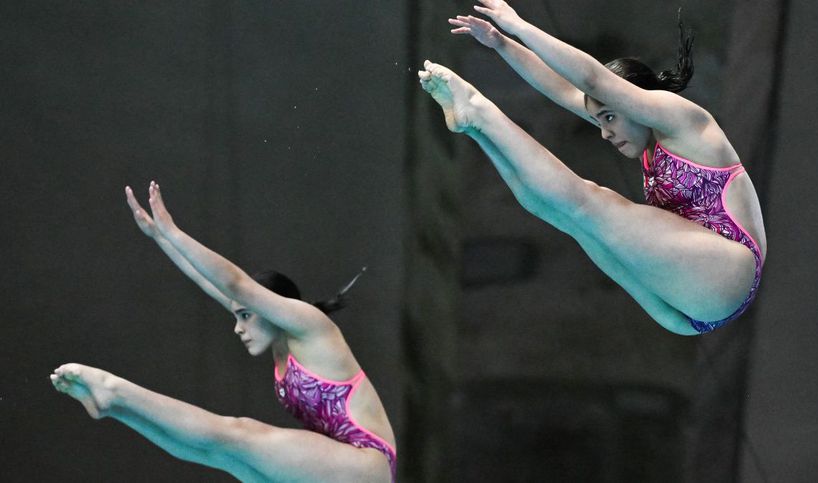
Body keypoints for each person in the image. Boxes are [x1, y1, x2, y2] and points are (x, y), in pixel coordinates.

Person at [419, 0, 766, 335]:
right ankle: (475, 127)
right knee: (558, 213)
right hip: (686, 311)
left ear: (632, 98)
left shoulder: (683, 121)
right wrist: (501, 43)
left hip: (729, 271)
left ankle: (480, 108)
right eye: (600, 120)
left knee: (588, 201)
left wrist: (517, 24)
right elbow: (564, 90)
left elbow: (593, 81)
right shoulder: (643, 134)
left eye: (610, 117)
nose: (604, 132)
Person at [50, 181, 396, 482]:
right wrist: (160, 238)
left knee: (239, 433)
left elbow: (236, 283)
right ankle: (113, 407)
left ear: (270, 307)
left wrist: (173, 231)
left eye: (245, 316)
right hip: (336, 465)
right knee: (219, 455)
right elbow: (211, 283)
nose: (238, 328)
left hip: (365, 463)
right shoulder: (278, 339)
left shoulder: (310, 327)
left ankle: (115, 391)